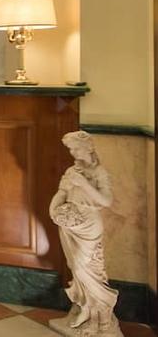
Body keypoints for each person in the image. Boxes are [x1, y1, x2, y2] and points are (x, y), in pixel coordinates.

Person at [49, 130, 119, 333]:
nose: (73, 153)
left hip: (89, 223)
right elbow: (62, 192)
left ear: (89, 148)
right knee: (74, 266)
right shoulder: (72, 171)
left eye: (76, 148)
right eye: (71, 149)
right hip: (69, 221)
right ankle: (84, 307)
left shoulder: (99, 172)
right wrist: (53, 210)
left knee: (85, 267)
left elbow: (106, 201)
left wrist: (83, 184)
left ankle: (102, 309)